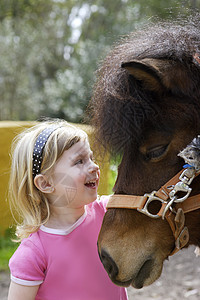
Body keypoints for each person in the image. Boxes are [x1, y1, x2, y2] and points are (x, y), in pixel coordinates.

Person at [8, 119, 128, 300]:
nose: (94, 166)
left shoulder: (107, 212)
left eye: (91, 158)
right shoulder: (33, 253)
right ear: (46, 183)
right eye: (79, 161)